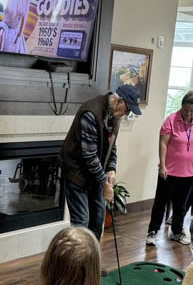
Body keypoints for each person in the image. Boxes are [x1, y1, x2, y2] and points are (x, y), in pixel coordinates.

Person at [59, 86, 141, 242]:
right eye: (128, 109)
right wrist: (105, 184)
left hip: (95, 173)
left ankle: (92, 261)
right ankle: (77, 264)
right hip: (76, 172)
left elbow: (112, 145)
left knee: (98, 218)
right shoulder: (91, 113)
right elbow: (89, 157)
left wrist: (111, 169)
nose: (128, 114)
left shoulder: (115, 114)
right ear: (119, 101)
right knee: (81, 222)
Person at [145, 91, 193, 246]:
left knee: (181, 205)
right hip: (169, 171)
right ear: (181, 107)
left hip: (189, 172)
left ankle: (177, 231)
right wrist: (162, 165)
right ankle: (153, 232)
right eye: (185, 110)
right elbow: (163, 143)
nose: (188, 113)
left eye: (191, 110)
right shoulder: (171, 120)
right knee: (161, 202)